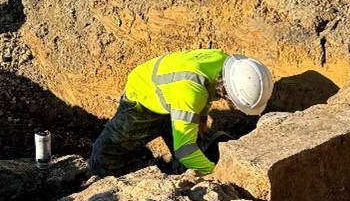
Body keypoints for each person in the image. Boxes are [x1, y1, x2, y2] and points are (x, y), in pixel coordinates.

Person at [89, 49, 273, 179]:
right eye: (234, 102)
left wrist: (201, 119)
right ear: (228, 89)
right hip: (143, 100)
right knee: (109, 150)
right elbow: (184, 150)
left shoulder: (222, 63)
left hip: (177, 94)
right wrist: (215, 174)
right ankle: (96, 180)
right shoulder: (189, 93)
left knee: (192, 142)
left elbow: (206, 91)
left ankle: (180, 174)